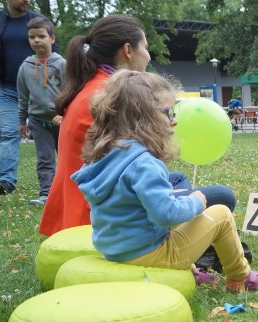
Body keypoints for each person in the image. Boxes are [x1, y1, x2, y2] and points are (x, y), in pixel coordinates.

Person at [71, 70, 258, 293]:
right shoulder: (143, 163)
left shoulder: (107, 153)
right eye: (168, 112)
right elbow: (165, 215)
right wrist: (196, 202)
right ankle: (241, 277)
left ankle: (192, 270)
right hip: (149, 253)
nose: (174, 120)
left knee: (185, 212)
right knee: (221, 215)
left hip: (116, 250)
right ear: (144, 117)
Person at [38, 15, 236, 237]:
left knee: (177, 178)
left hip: (82, 200)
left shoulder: (93, 86)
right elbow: (143, 158)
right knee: (223, 196)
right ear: (128, 51)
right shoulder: (114, 96)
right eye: (146, 48)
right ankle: (193, 246)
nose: (149, 56)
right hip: (101, 214)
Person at [0, 0, 58, 195]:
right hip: (9, 89)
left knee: (58, 136)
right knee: (9, 132)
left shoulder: (39, 21)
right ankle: (6, 181)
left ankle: (67, 178)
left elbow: (55, 57)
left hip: (42, 90)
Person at [17, 17, 65, 206]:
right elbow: (22, 96)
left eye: (41, 36)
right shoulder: (25, 67)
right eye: (32, 37)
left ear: (52, 39)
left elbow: (71, 92)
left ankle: (71, 191)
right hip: (37, 120)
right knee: (45, 159)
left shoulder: (62, 64)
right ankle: (46, 194)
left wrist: (64, 114)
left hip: (62, 119)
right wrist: (22, 121)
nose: (36, 40)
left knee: (68, 157)